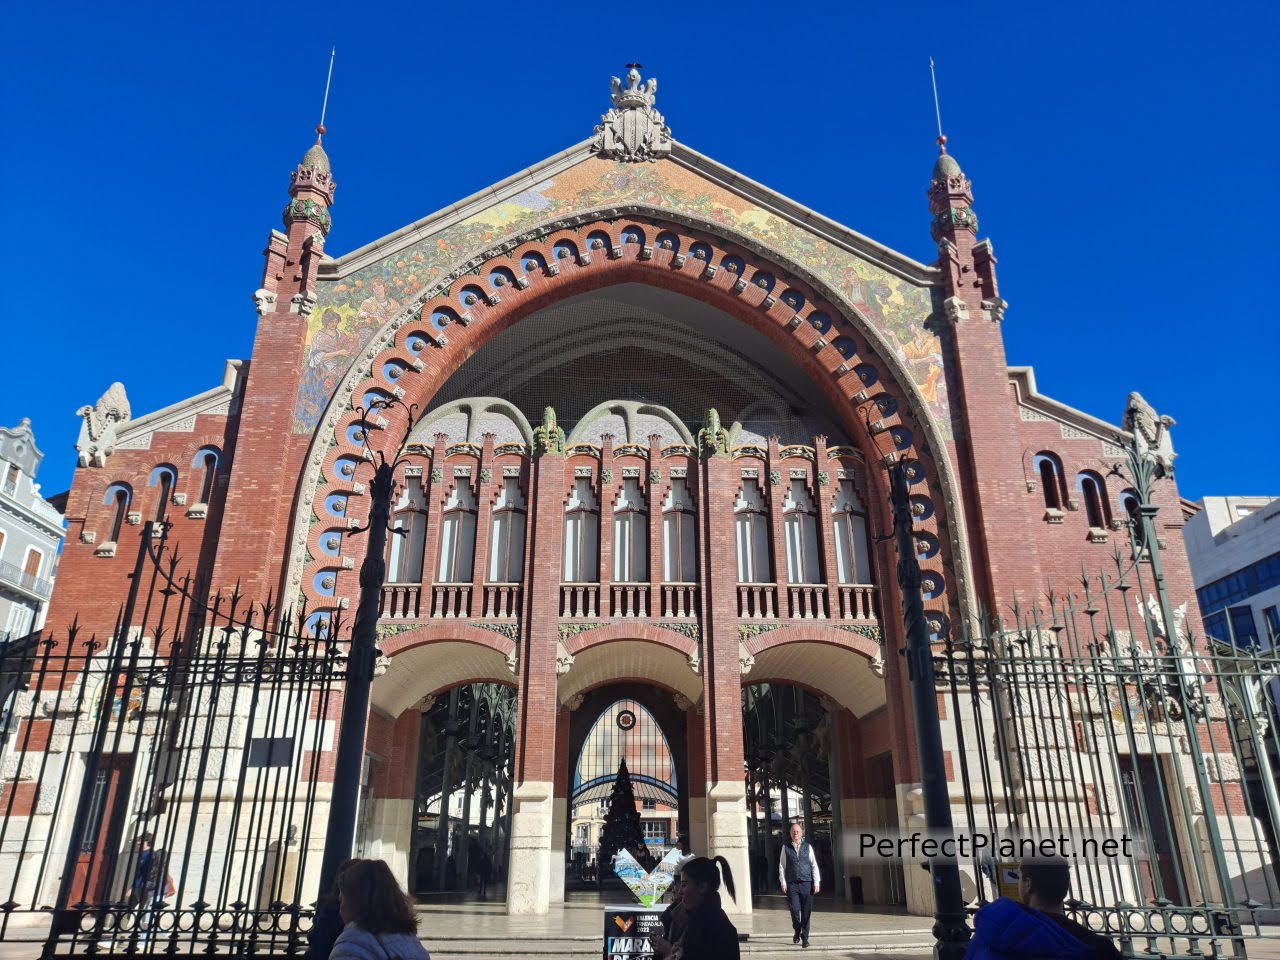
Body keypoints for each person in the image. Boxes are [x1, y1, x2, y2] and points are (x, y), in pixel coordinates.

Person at [964, 857, 1122, 960]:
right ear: (1065, 887)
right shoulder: (1099, 949)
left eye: (1019, 878)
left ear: (1028, 883)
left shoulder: (988, 938)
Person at [328, 858, 431, 960]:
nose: (339, 898)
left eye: (343, 893)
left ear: (356, 900)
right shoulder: (410, 940)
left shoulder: (351, 946)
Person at [650, 855, 740, 960]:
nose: (679, 891)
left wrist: (669, 952)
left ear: (702, 887)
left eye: (684, 885)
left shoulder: (718, 928)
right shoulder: (683, 920)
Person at [778, 822, 820, 948]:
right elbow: (781, 866)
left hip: (807, 883)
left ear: (802, 833)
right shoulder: (785, 848)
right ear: (790, 834)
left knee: (806, 912)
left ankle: (805, 938)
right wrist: (783, 882)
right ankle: (797, 929)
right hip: (792, 884)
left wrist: (816, 882)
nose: (795, 833)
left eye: (798, 831)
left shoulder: (808, 847)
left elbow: (814, 865)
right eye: (793, 831)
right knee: (795, 909)